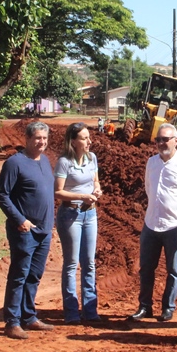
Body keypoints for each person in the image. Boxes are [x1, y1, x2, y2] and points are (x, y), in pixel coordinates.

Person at [128, 123, 177, 322]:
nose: (161, 143)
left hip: (175, 225)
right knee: (146, 268)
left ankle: (168, 308)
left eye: (165, 139)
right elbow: (148, 188)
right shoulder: (151, 163)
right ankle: (145, 306)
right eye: (158, 140)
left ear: (176, 141)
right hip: (151, 223)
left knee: (173, 270)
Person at [0, 121, 56, 340]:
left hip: (45, 230)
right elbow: (1, 195)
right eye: (38, 138)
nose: (42, 142)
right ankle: (12, 321)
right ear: (28, 139)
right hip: (24, 230)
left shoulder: (45, 160)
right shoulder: (15, 163)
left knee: (34, 274)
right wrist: (19, 219)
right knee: (19, 274)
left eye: (45, 138)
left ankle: (28, 316)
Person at [54, 122, 103, 323]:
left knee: (89, 263)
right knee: (72, 263)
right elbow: (58, 192)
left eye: (88, 137)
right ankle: (72, 312)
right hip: (70, 215)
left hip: (90, 215)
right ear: (73, 141)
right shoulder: (64, 162)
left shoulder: (92, 158)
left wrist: (97, 190)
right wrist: (82, 196)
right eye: (84, 138)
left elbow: (95, 181)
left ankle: (90, 310)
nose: (89, 141)